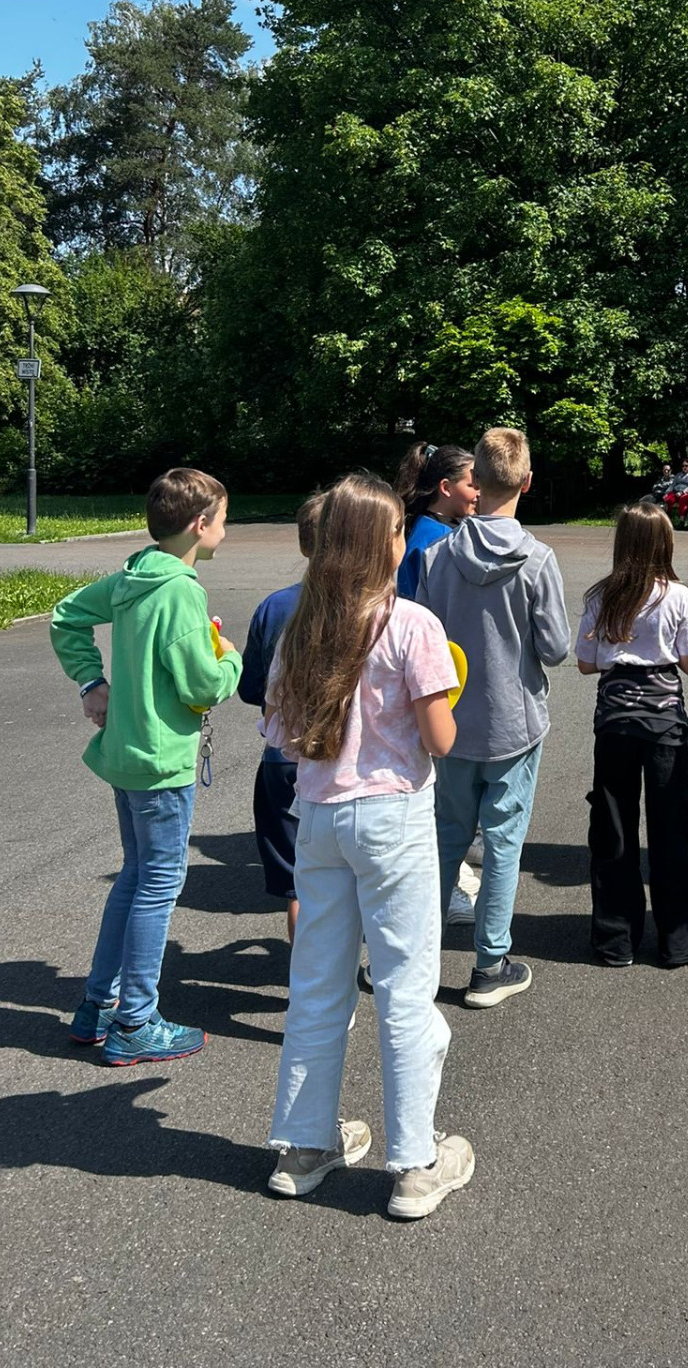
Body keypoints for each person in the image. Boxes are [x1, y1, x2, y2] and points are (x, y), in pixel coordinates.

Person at [264, 472, 474, 1219]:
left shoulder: (303, 628)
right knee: (405, 988)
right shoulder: (411, 624)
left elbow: (280, 733)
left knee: (318, 984)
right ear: (381, 544)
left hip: (319, 817)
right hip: (393, 817)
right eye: (396, 531)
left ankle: (303, 1145)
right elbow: (440, 739)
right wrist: (445, 695)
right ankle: (415, 1161)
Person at [50, 466, 242, 1066]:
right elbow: (202, 685)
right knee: (159, 883)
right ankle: (135, 1019)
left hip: (128, 756)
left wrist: (92, 681)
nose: (225, 530)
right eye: (224, 520)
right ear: (200, 524)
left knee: (136, 876)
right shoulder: (182, 590)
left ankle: (98, 1005)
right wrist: (230, 658)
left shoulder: (134, 574)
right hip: (161, 763)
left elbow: (66, 614)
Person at [417, 427, 569, 1008]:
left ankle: (416, 956)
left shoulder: (436, 556)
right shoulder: (537, 559)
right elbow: (555, 647)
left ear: (475, 480)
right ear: (527, 482)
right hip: (513, 722)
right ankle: (489, 964)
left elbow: (422, 640)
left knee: (445, 838)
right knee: (503, 843)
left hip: (451, 721)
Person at [577, 502, 688, 968]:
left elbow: (586, 663)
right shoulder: (678, 596)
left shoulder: (601, 596)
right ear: (664, 545)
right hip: (664, 726)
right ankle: (679, 940)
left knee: (613, 830)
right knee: (671, 830)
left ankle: (615, 940)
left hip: (614, 723)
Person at [393, 440, 483, 927]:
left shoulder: (430, 532)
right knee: (436, 792)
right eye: (472, 482)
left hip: (431, 672)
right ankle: (444, 890)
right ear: (445, 488)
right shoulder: (433, 542)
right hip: (432, 677)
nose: (479, 491)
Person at [239, 490, 326, 943]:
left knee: (298, 885)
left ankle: (307, 976)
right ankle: (350, 969)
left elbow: (250, 687)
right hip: (344, 761)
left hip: (282, 757)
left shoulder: (274, 606)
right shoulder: (369, 606)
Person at [393, 441, 478, 601]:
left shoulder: (422, 525)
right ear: (446, 488)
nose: (479, 493)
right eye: (473, 486)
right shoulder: (441, 539)